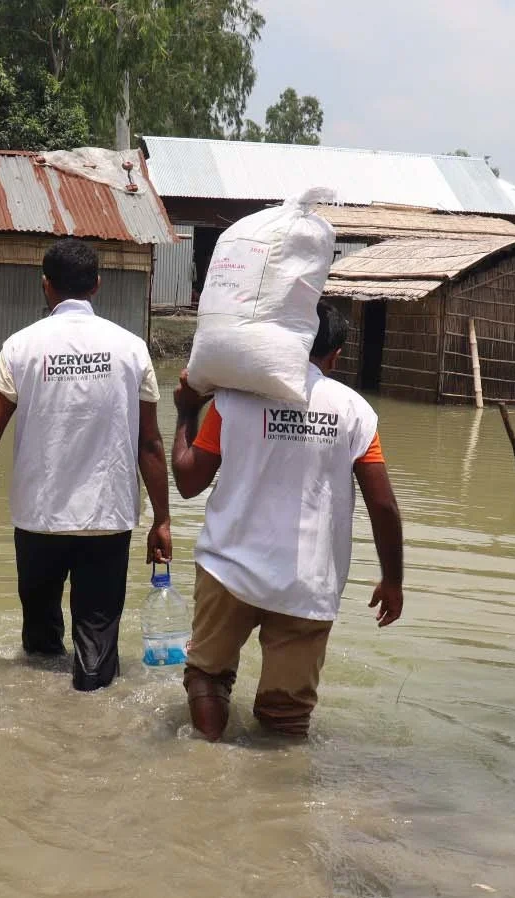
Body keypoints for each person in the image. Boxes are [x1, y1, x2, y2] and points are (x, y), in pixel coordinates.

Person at [0, 239, 172, 691]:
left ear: (46, 286)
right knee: (97, 651)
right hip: (107, 522)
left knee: (40, 643)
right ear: (97, 285)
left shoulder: (21, 347)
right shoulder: (132, 349)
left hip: (39, 522)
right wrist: (162, 519)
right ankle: (91, 729)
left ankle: (37, 720)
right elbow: (151, 444)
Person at [170, 301, 404, 739]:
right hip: (308, 583)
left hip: (228, 570)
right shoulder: (354, 411)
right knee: (287, 714)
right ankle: (278, 797)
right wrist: (393, 580)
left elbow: (187, 480)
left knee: (207, 675)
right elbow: (384, 506)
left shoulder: (232, 401)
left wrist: (186, 411)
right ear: (334, 356)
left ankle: (206, 763)